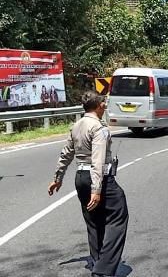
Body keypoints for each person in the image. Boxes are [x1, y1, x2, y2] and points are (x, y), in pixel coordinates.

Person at [47, 91, 128, 277]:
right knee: (118, 216)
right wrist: (97, 190)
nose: (106, 105)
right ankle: (103, 270)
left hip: (81, 178)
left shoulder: (76, 126)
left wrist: (57, 178)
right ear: (99, 106)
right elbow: (97, 161)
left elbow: (66, 153)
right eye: (104, 103)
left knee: (94, 221)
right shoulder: (98, 128)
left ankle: (96, 261)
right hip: (98, 179)